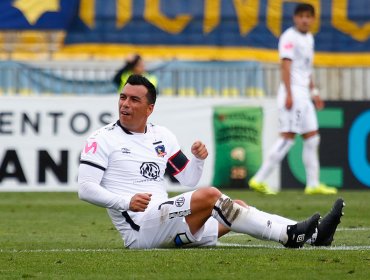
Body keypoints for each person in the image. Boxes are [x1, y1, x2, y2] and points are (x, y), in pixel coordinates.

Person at [78, 74, 344, 249]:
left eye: (134, 99)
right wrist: (126, 202)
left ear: (149, 108)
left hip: (170, 223)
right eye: (123, 98)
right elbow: (85, 189)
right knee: (212, 196)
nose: (125, 104)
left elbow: (188, 180)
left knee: (236, 206)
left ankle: (315, 236)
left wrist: (198, 161)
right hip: (140, 230)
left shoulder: (162, 136)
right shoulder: (102, 139)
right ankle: (290, 234)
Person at [249, 3, 338, 195]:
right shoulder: (289, 37)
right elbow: (286, 66)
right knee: (288, 138)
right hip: (294, 94)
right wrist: (289, 93)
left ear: (313, 19)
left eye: (308, 16)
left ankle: (313, 184)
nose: (305, 19)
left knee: (312, 137)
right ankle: (258, 179)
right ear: (295, 18)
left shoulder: (309, 38)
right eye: (301, 16)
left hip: (304, 95)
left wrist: (314, 93)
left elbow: (306, 69)